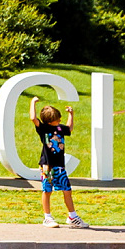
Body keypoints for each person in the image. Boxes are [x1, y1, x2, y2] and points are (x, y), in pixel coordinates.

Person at [30, 98, 90, 230]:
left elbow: (69, 128)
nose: (60, 120)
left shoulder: (59, 128)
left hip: (59, 165)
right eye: (57, 119)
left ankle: (72, 217)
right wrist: (33, 102)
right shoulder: (43, 129)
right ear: (50, 121)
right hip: (47, 165)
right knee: (47, 190)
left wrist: (71, 115)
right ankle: (47, 217)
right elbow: (33, 118)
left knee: (67, 190)